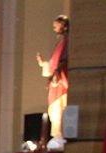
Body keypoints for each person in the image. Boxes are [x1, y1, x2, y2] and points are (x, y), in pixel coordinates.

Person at [36, 14, 69, 144]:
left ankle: (60, 135)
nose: (54, 28)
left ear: (64, 26)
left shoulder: (67, 42)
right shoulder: (60, 43)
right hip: (55, 84)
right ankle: (57, 135)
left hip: (61, 83)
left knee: (60, 110)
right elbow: (53, 64)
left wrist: (58, 71)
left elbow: (64, 61)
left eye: (57, 25)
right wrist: (43, 64)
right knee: (54, 112)